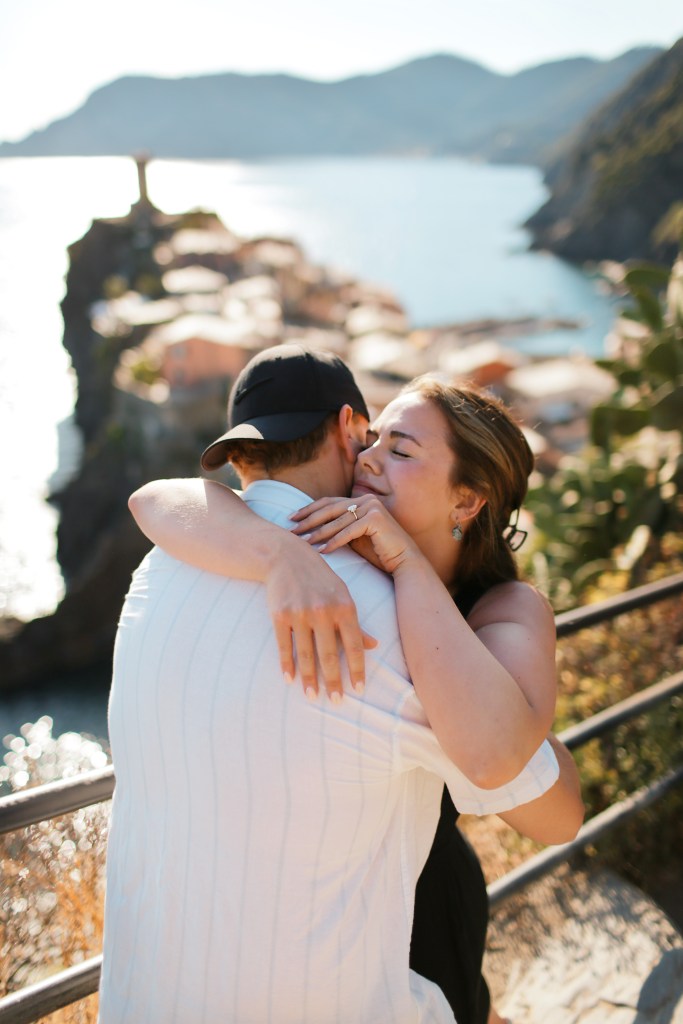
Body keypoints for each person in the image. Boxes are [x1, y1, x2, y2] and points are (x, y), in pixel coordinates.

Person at [124, 345, 583, 1024]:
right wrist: (279, 554)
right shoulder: (342, 557)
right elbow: (157, 499)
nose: (367, 459)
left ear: (466, 499)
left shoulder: (504, 609)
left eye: (399, 449)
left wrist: (408, 565)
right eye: (371, 441)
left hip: (421, 907)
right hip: (337, 891)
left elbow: (540, 794)